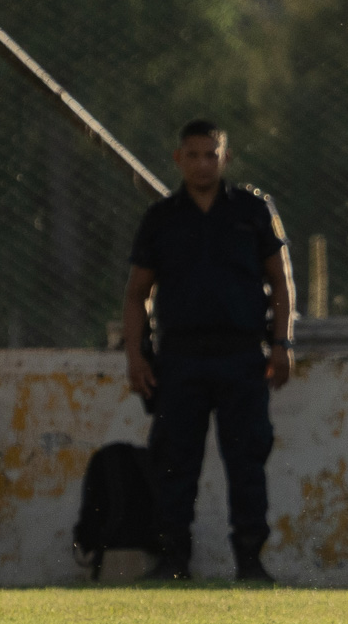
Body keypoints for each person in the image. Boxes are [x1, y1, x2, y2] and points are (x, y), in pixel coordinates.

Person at [123, 119, 295, 583]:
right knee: (175, 462)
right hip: (179, 358)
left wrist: (281, 342)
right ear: (179, 159)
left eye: (212, 155)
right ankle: (173, 561)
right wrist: (136, 357)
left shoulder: (253, 211)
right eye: (194, 155)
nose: (203, 164)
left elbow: (280, 280)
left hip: (242, 356)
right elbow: (137, 292)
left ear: (226, 158)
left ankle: (250, 562)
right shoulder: (161, 218)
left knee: (246, 462)